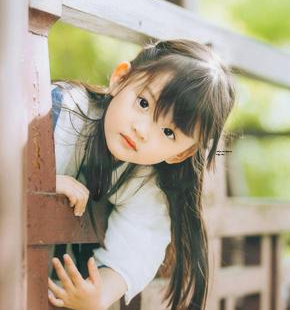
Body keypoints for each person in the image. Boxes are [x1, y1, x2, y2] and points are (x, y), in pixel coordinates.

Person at [47, 39, 236, 310]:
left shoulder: (144, 180)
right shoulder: (61, 109)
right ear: (120, 78)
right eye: (144, 103)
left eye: (168, 132)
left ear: (181, 154)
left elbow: (137, 248)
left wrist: (97, 297)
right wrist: (42, 182)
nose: (142, 130)